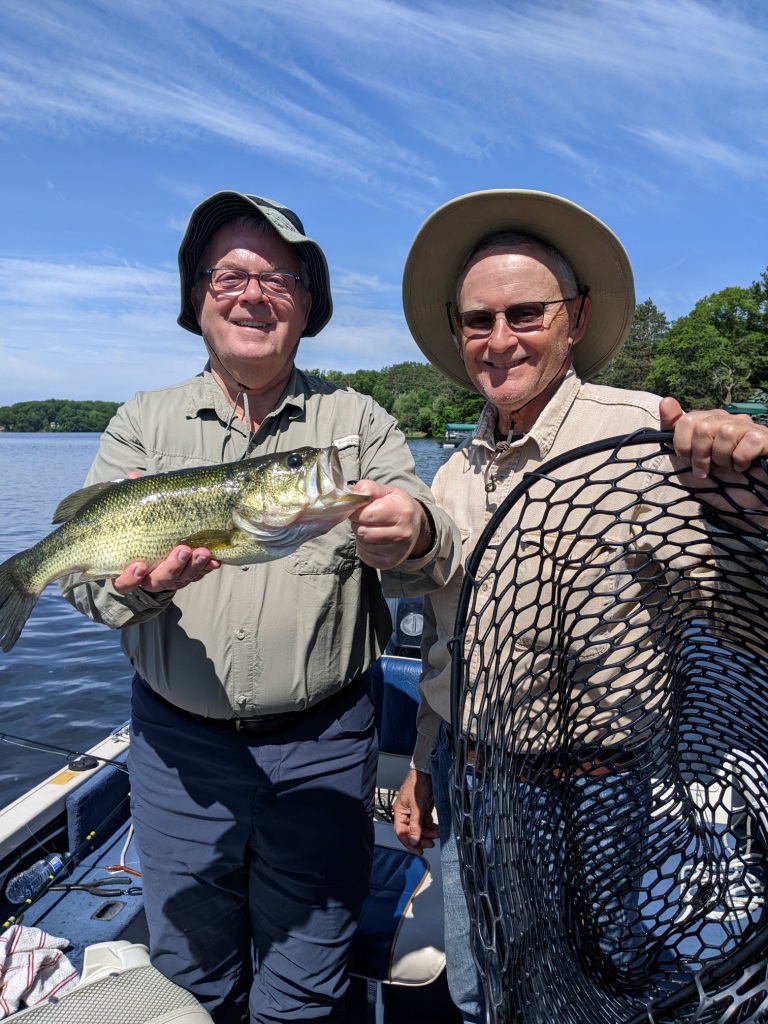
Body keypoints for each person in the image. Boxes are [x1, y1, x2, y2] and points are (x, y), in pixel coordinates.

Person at [62, 190, 460, 1024]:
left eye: (278, 277)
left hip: (323, 748)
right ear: (197, 297)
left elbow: (435, 545)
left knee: (307, 980)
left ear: (308, 303)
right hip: (178, 752)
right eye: (229, 274)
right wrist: (135, 585)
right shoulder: (141, 423)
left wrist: (414, 531)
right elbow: (86, 585)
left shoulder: (354, 422)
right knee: (189, 976)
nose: (253, 293)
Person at [391, 188, 768, 1023]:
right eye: (476, 321)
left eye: (525, 313)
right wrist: (422, 767)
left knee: (596, 996)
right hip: (471, 777)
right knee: (478, 986)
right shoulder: (452, 474)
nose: (499, 340)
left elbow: (745, 621)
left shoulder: (650, 437)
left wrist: (751, 485)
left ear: (577, 316)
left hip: (605, 788)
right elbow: (444, 648)